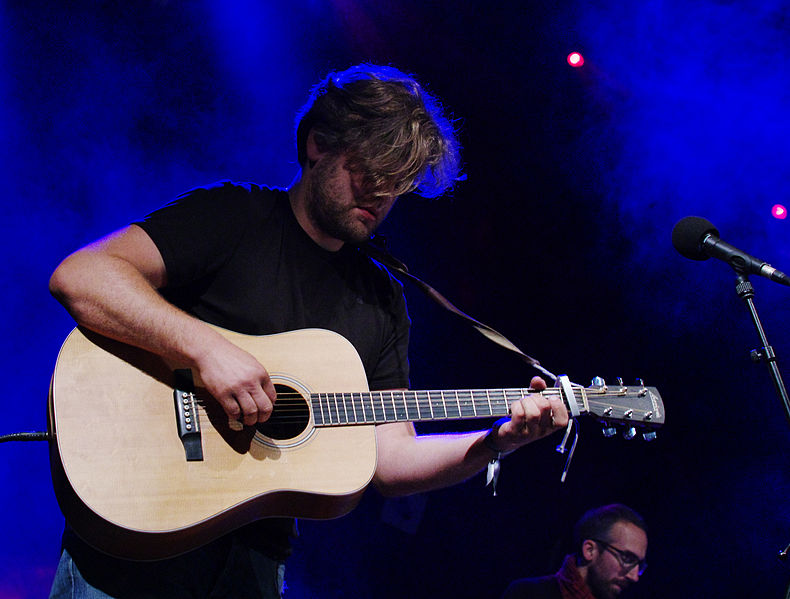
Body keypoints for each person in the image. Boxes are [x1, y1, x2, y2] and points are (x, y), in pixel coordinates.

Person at [48, 63, 569, 598]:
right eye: (370, 173)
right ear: (318, 144)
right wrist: (204, 348)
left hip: (253, 566)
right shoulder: (234, 216)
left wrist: (499, 441)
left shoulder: (382, 300)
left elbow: (390, 460)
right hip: (139, 523)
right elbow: (81, 276)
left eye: (396, 186)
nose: (380, 196)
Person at [501, 504, 648, 599]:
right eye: (627, 558)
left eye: (639, 566)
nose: (634, 577)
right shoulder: (529, 594)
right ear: (590, 550)